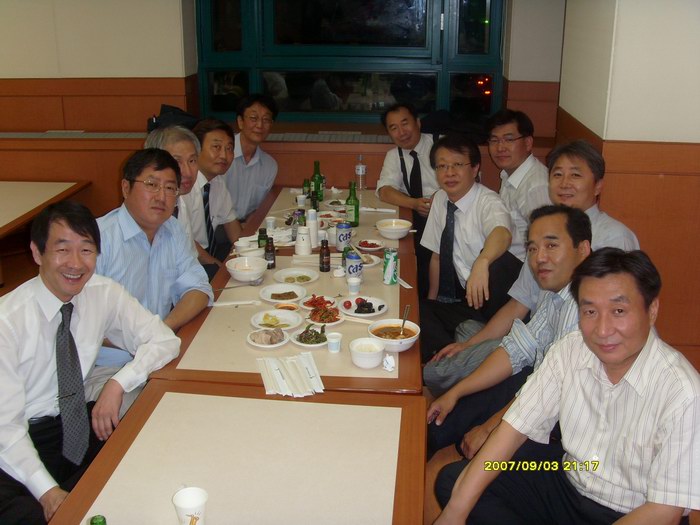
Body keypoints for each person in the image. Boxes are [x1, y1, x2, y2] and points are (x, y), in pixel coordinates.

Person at [435, 248, 700, 525]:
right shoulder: (570, 349)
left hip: (635, 513)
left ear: (652, 310)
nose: (603, 330)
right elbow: (513, 430)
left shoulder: (683, 393)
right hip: (568, 485)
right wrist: (454, 514)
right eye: (590, 311)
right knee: (456, 485)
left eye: (619, 311)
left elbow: (664, 511)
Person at [0, 201, 179, 524]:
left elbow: (164, 340)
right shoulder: (7, 321)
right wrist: (48, 492)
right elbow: (6, 429)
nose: (75, 263)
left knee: (152, 459)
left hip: (76, 426)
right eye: (62, 249)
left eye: (86, 250)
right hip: (17, 443)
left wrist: (118, 383)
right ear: (37, 253)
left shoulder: (101, 292)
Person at [426, 140, 640, 388]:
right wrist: (468, 346)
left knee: (438, 374)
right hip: (529, 341)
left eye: (575, 175)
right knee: (466, 332)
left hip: (568, 366)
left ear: (598, 185)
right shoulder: (544, 234)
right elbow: (518, 304)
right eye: (557, 174)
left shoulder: (613, 239)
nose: (564, 183)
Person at [426, 205, 592, 457]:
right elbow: (516, 350)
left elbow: (550, 393)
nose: (539, 257)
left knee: (455, 472)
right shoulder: (556, 293)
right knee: (444, 421)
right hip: (539, 387)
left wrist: (491, 429)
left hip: (574, 437)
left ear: (583, 250)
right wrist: (456, 392)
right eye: (533, 249)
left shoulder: (588, 309)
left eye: (551, 245)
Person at [87, 149, 212, 410]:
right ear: (125, 187)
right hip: (108, 368)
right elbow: (85, 325)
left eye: (170, 188)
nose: (161, 196)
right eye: (151, 185)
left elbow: (198, 289)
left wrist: (161, 331)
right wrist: (150, 340)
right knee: (155, 416)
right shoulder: (96, 240)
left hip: (161, 353)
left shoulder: (173, 230)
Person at [418, 133, 523, 362]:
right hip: (469, 300)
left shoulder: (489, 202)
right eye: (442, 166)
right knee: (419, 309)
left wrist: (482, 262)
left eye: (458, 165)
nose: (449, 173)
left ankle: (467, 353)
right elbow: (437, 256)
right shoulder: (440, 199)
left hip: (501, 297)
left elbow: (502, 233)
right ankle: (450, 358)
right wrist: (433, 302)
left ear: (475, 169)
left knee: (498, 263)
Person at [376, 103, 440, 298]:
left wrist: (438, 199)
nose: (401, 132)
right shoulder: (394, 155)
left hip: (448, 215)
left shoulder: (442, 145)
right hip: (418, 216)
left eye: (405, 124)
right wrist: (414, 203)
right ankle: (414, 294)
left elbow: (467, 182)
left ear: (418, 123)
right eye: (393, 128)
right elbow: (384, 191)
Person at [485, 109, 550, 262]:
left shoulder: (536, 187)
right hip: (503, 256)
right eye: (494, 140)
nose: (500, 148)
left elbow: (546, 244)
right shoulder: (509, 173)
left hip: (521, 267)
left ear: (528, 143)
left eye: (509, 140)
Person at [183, 119, 242, 265]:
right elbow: (186, 241)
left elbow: (232, 225)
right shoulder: (185, 185)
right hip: (187, 258)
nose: (224, 155)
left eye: (229, 148)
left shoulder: (218, 182)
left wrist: (246, 256)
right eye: (216, 147)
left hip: (210, 252)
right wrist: (218, 269)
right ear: (196, 150)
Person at [223, 94, 279, 221]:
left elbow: (259, 209)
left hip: (249, 224)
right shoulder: (222, 156)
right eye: (254, 118)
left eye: (266, 120)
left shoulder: (269, 166)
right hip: (218, 225)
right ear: (240, 122)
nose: (260, 125)